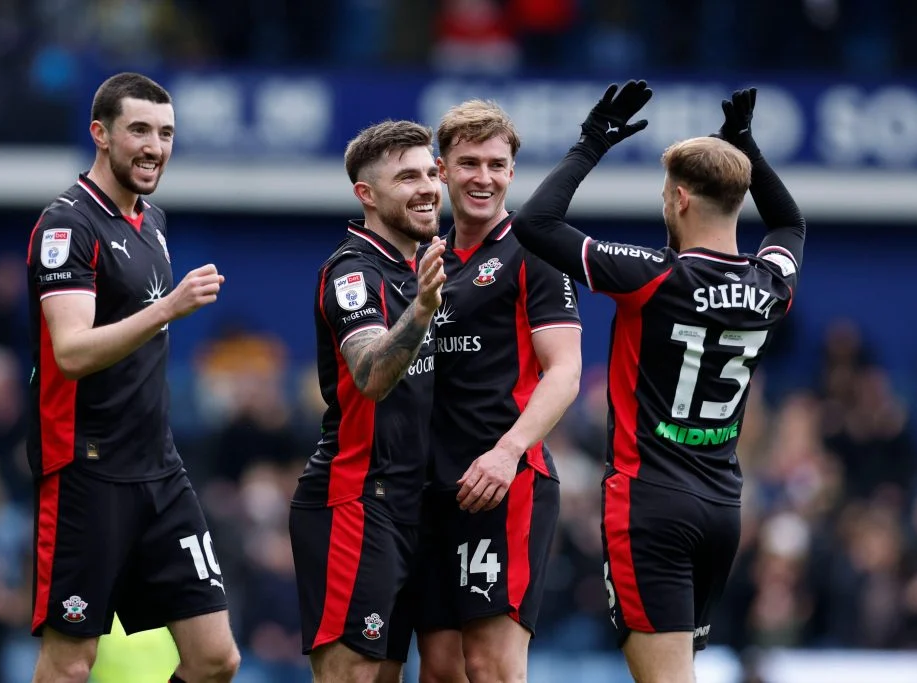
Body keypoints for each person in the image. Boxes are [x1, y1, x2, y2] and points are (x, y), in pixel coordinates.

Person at [512, 82, 805, 683]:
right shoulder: (771, 285)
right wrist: (746, 148)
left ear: (679, 198)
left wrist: (591, 143)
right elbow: (789, 222)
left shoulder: (653, 276)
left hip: (650, 504)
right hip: (722, 507)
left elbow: (535, 223)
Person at [25, 72, 240, 683]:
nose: (155, 147)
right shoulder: (68, 225)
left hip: (159, 468)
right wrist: (167, 308)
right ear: (101, 134)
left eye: (166, 133)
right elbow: (71, 352)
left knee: (216, 660)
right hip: (85, 469)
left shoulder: (153, 221)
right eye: (139, 130)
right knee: (71, 664)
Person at [414, 99, 583, 683]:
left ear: (512, 172)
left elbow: (565, 371)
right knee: (439, 669)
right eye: (468, 163)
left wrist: (508, 452)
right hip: (433, 487)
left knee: (491, 666)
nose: (482, 178)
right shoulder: (427, 259)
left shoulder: (534, 250)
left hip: (504, 483)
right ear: (442, 170)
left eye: (495, 165)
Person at [289, 120, 447, 683]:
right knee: (350, 676)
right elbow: (371, 375)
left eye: (430, 173)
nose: (427, 187)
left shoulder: (418, 266)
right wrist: (423, 309)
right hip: (355, 499)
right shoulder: (352, 272)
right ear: (367, 194)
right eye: (407, 177)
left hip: (411, 504)